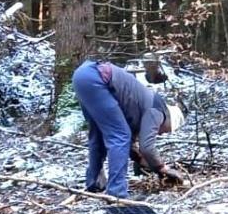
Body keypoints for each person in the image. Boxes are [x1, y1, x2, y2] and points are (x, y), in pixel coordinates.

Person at [72, 60, 185, 200]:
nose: (161, 133)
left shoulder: (140, 109)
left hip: (83, 75)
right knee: (120, 136)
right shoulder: (157, 111)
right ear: (169, 119)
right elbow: (147, 147)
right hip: (97, 77)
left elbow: (131, 147)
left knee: (99, 136)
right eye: (166, 131)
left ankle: (94, 184)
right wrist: (162, 168)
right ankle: (117, 194)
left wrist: (141, 160)